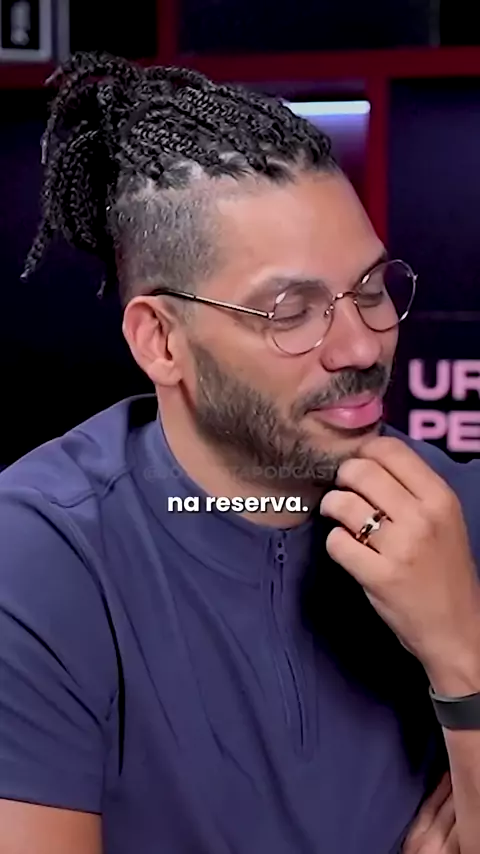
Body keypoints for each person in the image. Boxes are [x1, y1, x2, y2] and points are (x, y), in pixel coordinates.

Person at [1, 51, 480, 854]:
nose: (362, 345)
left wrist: (463, 655)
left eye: (370, 288)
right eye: (291, 311)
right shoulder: (43, 553)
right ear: (161, 341)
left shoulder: (459, 509)